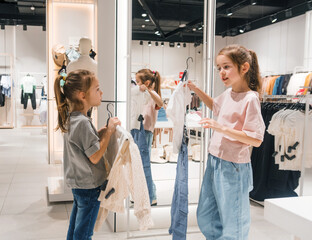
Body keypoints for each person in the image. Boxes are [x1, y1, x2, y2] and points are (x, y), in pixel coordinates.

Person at [187, 44, 265, 240]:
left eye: (226, 67)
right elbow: (216, 106)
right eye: (219, 68)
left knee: (234, 221)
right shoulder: (229, 93)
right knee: (207, 215)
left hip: (234, 166)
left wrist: (221, 128)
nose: (222, 72)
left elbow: (255, 139)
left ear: (244, 68)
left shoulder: (250, 99)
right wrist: (196, 90)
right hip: (215, 160)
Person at [54, 69, 120, 240]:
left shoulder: (72, 118)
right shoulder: (83, 122)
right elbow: (95, 156)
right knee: (83, 234)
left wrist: (102, 133)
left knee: (76, 229)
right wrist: (110, 130)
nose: (101, 92)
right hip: (90, 186)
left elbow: (83, 146)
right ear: (83, 96)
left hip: (78, 184)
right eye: (97, 89)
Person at [131, 69, 163, 205]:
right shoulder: (141, 94)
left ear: (147, 82)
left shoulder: (152, 94)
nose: (136, 84)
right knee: (140, 164)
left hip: (144, 131)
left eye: (138, 81)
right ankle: (148, 195)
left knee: (144, 165)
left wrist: (148, 90)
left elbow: (160, 103)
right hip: (139, 129)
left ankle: (150, 196)